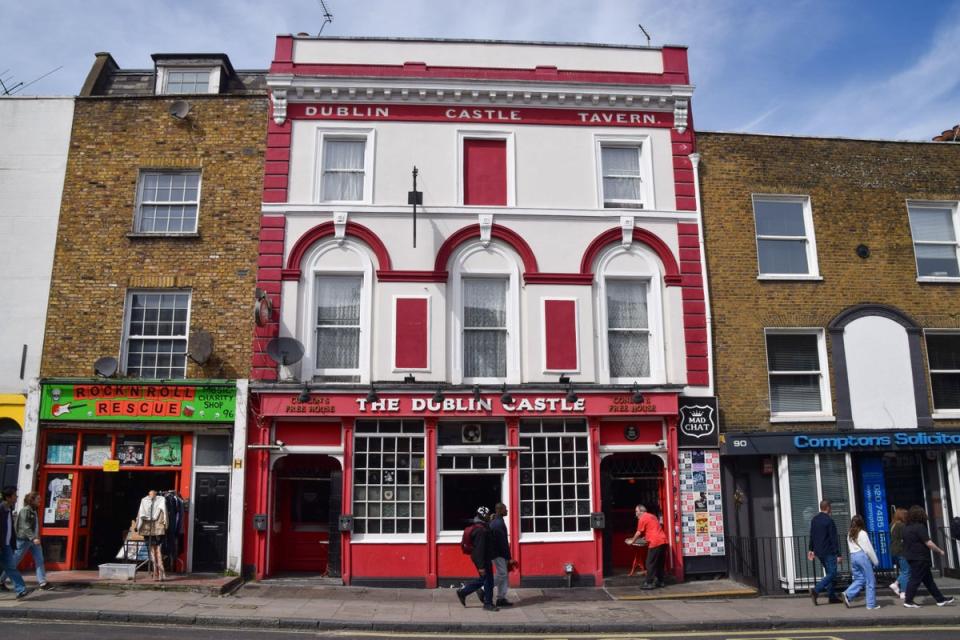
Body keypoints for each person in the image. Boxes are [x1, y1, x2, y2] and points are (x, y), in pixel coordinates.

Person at [902, 505, 954, 608]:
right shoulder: (920, 527)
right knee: (915, 579)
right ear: (920, 515)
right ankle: (908, 601)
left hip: (911, 556)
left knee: (928, 581)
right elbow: (928, 543)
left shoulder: (906, 528)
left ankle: (940, 600)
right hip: (920, 557)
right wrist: (940, 551)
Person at [0, 492, 47, 591]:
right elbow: (25, 526)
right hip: (24, 540)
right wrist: (33, 538)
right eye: (38, 499)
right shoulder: (25, 510)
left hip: (33, 540)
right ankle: (1, 580)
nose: (40, 501)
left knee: (40, 560)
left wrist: (35, 538)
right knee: (14, 562)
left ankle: (42, 582)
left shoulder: (34, 511)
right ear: (32, 500)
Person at [456, 506, 498, 611]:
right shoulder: (481, 531)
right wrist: (481, 566)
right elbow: (480, 549)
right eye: (488, 515)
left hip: (482, 558)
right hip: (482, 559)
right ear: (483, 516)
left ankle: (464, 592)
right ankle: (487, 603)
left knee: (486, 580)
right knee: (488, 581)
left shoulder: (481, 526)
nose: (489, 517)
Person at [807, 499, 843, 605]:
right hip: (829, 551)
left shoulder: (814, 520)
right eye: (830, 507)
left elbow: (812, 535)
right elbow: (833, 538)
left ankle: (832, 597)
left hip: (819, 552)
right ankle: (816, 590)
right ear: (827, 508)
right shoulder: (829, 520)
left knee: (829, 573)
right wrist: (838, 554)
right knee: (832, 573)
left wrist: (811, 549)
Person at [842, 514, 880, 610]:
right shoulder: (862, 533)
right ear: (861, 522)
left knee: (860, 579)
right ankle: (871, 604)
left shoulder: (849, 533)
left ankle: (847, 594)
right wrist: (875, 561)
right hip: (862, 556)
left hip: (853, 556)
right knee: (870, 580)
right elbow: (868, 549)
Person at [625, 504, 668, 589]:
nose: (635, 513)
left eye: (636, 511)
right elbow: (653, 528)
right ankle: (660, 581)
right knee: (659, 563)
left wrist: (632, 541)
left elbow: (638, 532)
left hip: (655, 542)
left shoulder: (642, 518)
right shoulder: (652, 516)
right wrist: (647, 536)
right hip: (663, 541)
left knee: (650, 563)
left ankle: (649, 583)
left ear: (641, 511)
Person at [0, 487, 29, 599]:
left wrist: (12, 544)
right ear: (8, 497)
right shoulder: (1, 509)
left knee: (10, 567)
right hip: (1, 545)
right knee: (10, 567)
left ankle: (20, 590)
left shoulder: (9, 509)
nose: (16, 497)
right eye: (14, 495)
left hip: (6, 545)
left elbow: (9, 528)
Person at [488, 502, 517, 607]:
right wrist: (508, 557)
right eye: (505, 509)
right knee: (502, 574)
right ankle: (483, 588)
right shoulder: (498, 524)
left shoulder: (497, 522)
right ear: (500, 510)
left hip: (498, 552)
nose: (507, 510)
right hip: (498, 553)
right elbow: (503, 542)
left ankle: (501, 598)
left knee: (504, 576)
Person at [889, 507, 909, 600]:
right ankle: (903, 592)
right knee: (906, 571)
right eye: (906, 515)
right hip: (902, 550)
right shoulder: (902, 526)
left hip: (894, 550)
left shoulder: (892, 524)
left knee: (905, 570)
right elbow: (905, 538)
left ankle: (896, 583)